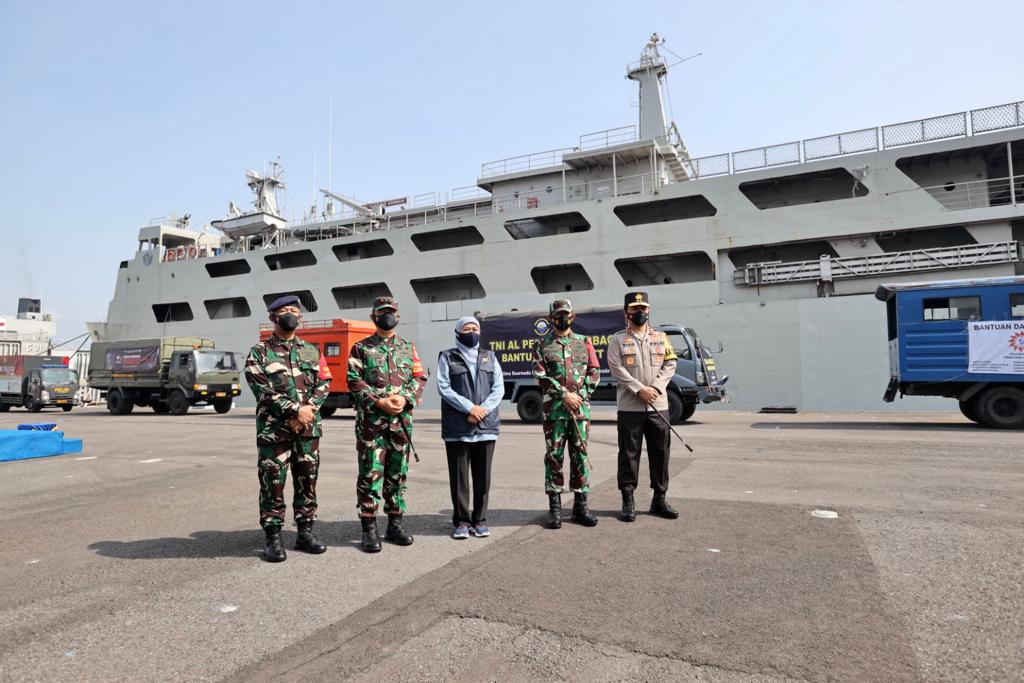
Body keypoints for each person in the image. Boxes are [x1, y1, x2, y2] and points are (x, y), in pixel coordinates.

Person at [244, 295, 331, 562]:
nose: (291, 314)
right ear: (273, 317)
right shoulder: (259, 352)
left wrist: (307, 412)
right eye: (285, 311)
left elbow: (324, 384)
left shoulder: (312, 351)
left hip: (307, 431)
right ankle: (273, 538)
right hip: (275, 432)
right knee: (273, 484)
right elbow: (262, 389)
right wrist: (296, 410)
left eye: (295, 310)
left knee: (308, 482)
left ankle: (305, 533)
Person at [346, 296, 427, 553]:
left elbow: (419, 376)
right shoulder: (361, 349)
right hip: (372, 425)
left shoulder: (407, 348)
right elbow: (354, 381)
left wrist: (405, 397)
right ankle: (369, 529)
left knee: (397, 475)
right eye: (381, 312)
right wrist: (380, 402)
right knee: (370, 475)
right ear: (373, 317)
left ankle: (395, 524)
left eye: (391, 312)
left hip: (401, 424)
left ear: (398, 317)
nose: (387, 316)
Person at [606, 291, 680, 522]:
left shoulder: (661, 337)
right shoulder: (617, 340)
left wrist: (656, 388)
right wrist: (640, 389)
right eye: (635, 309)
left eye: (644, 309)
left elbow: (670, 363)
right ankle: (628, 501)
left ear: (649, 310)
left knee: (661, 453)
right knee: (629, 455)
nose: (640, 313)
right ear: (626, 312)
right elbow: (616, 368)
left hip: (658, 405)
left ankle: (659, 499)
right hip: (630, 408)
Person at [531, 299, 601, 529]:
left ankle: (581, 507)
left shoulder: (584, 342)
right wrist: (565, 395)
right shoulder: (542, 345)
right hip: (555, 413)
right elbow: (540, 376)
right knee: (554, 457)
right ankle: (555, 509)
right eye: (558, 314)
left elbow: (594, 371)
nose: (563, 318)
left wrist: (579, 395)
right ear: (552, 318)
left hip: (580, 411)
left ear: (573, 316)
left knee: (580, 456)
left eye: (566, 314)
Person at [436, 316, 504, 540]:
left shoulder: (490, 357)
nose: (472, 331)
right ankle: (462, 522)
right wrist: (469, 409)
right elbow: (444, 387)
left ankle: (480, 520)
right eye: (467, 328)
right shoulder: (448, 357)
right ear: (458, 332)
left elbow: (498, 388)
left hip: (485, 425)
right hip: (459, 427)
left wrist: (482, 410)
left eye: (475, 328)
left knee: (483, 477)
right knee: (460, 478)